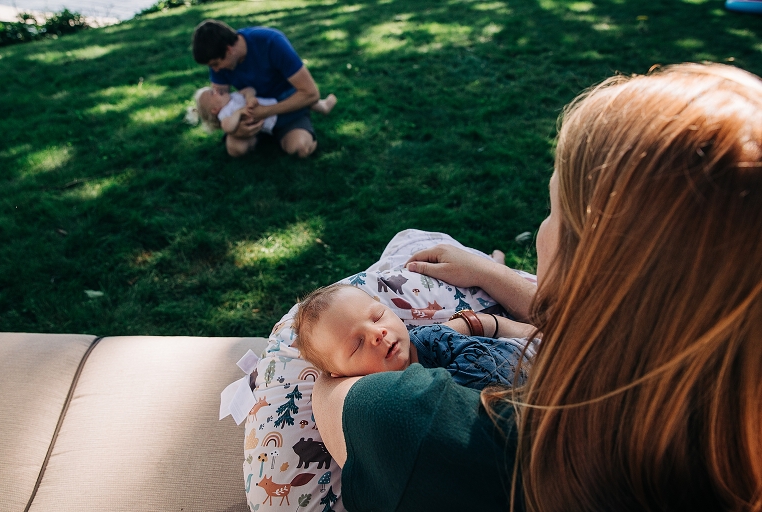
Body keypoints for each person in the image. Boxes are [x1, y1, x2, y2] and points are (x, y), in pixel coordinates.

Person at [312, 63, 762, 512]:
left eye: (552, 211)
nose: (542, 231)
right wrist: (491, 280)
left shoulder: (420, 427)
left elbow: (328, 392)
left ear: (599, 272)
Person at [293, 283, 535, 390]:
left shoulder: (430, 339)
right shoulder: (370, 396)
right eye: (357, 344)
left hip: (527, 357)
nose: (378, 334)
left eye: (377, 317)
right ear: (340, 376)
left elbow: (487, 368)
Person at [191, 19, 337, 158]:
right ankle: (266, 136)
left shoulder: (271, 42)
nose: (215, 70)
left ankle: (293, 130)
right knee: (235, 149)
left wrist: (266, 111)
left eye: (216, 64)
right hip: (252, 118)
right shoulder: (218, 62)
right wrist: (239, 129)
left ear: (229, 50)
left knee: (300, 148)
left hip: (287, 107)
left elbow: (311, 94)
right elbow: (217, 108)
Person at [194, 86, 336, 137]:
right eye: (213, 93)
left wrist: (249, 97)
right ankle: (323, 106)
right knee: (299, 102)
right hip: (273, 119)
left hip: (273, 104)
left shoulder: (233, 96)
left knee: (296, 99)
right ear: (215, 109)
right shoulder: (224, 114)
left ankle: (322, 106)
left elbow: (249, 89)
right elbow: (228, 127)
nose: (217, 90)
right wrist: (239, 113)